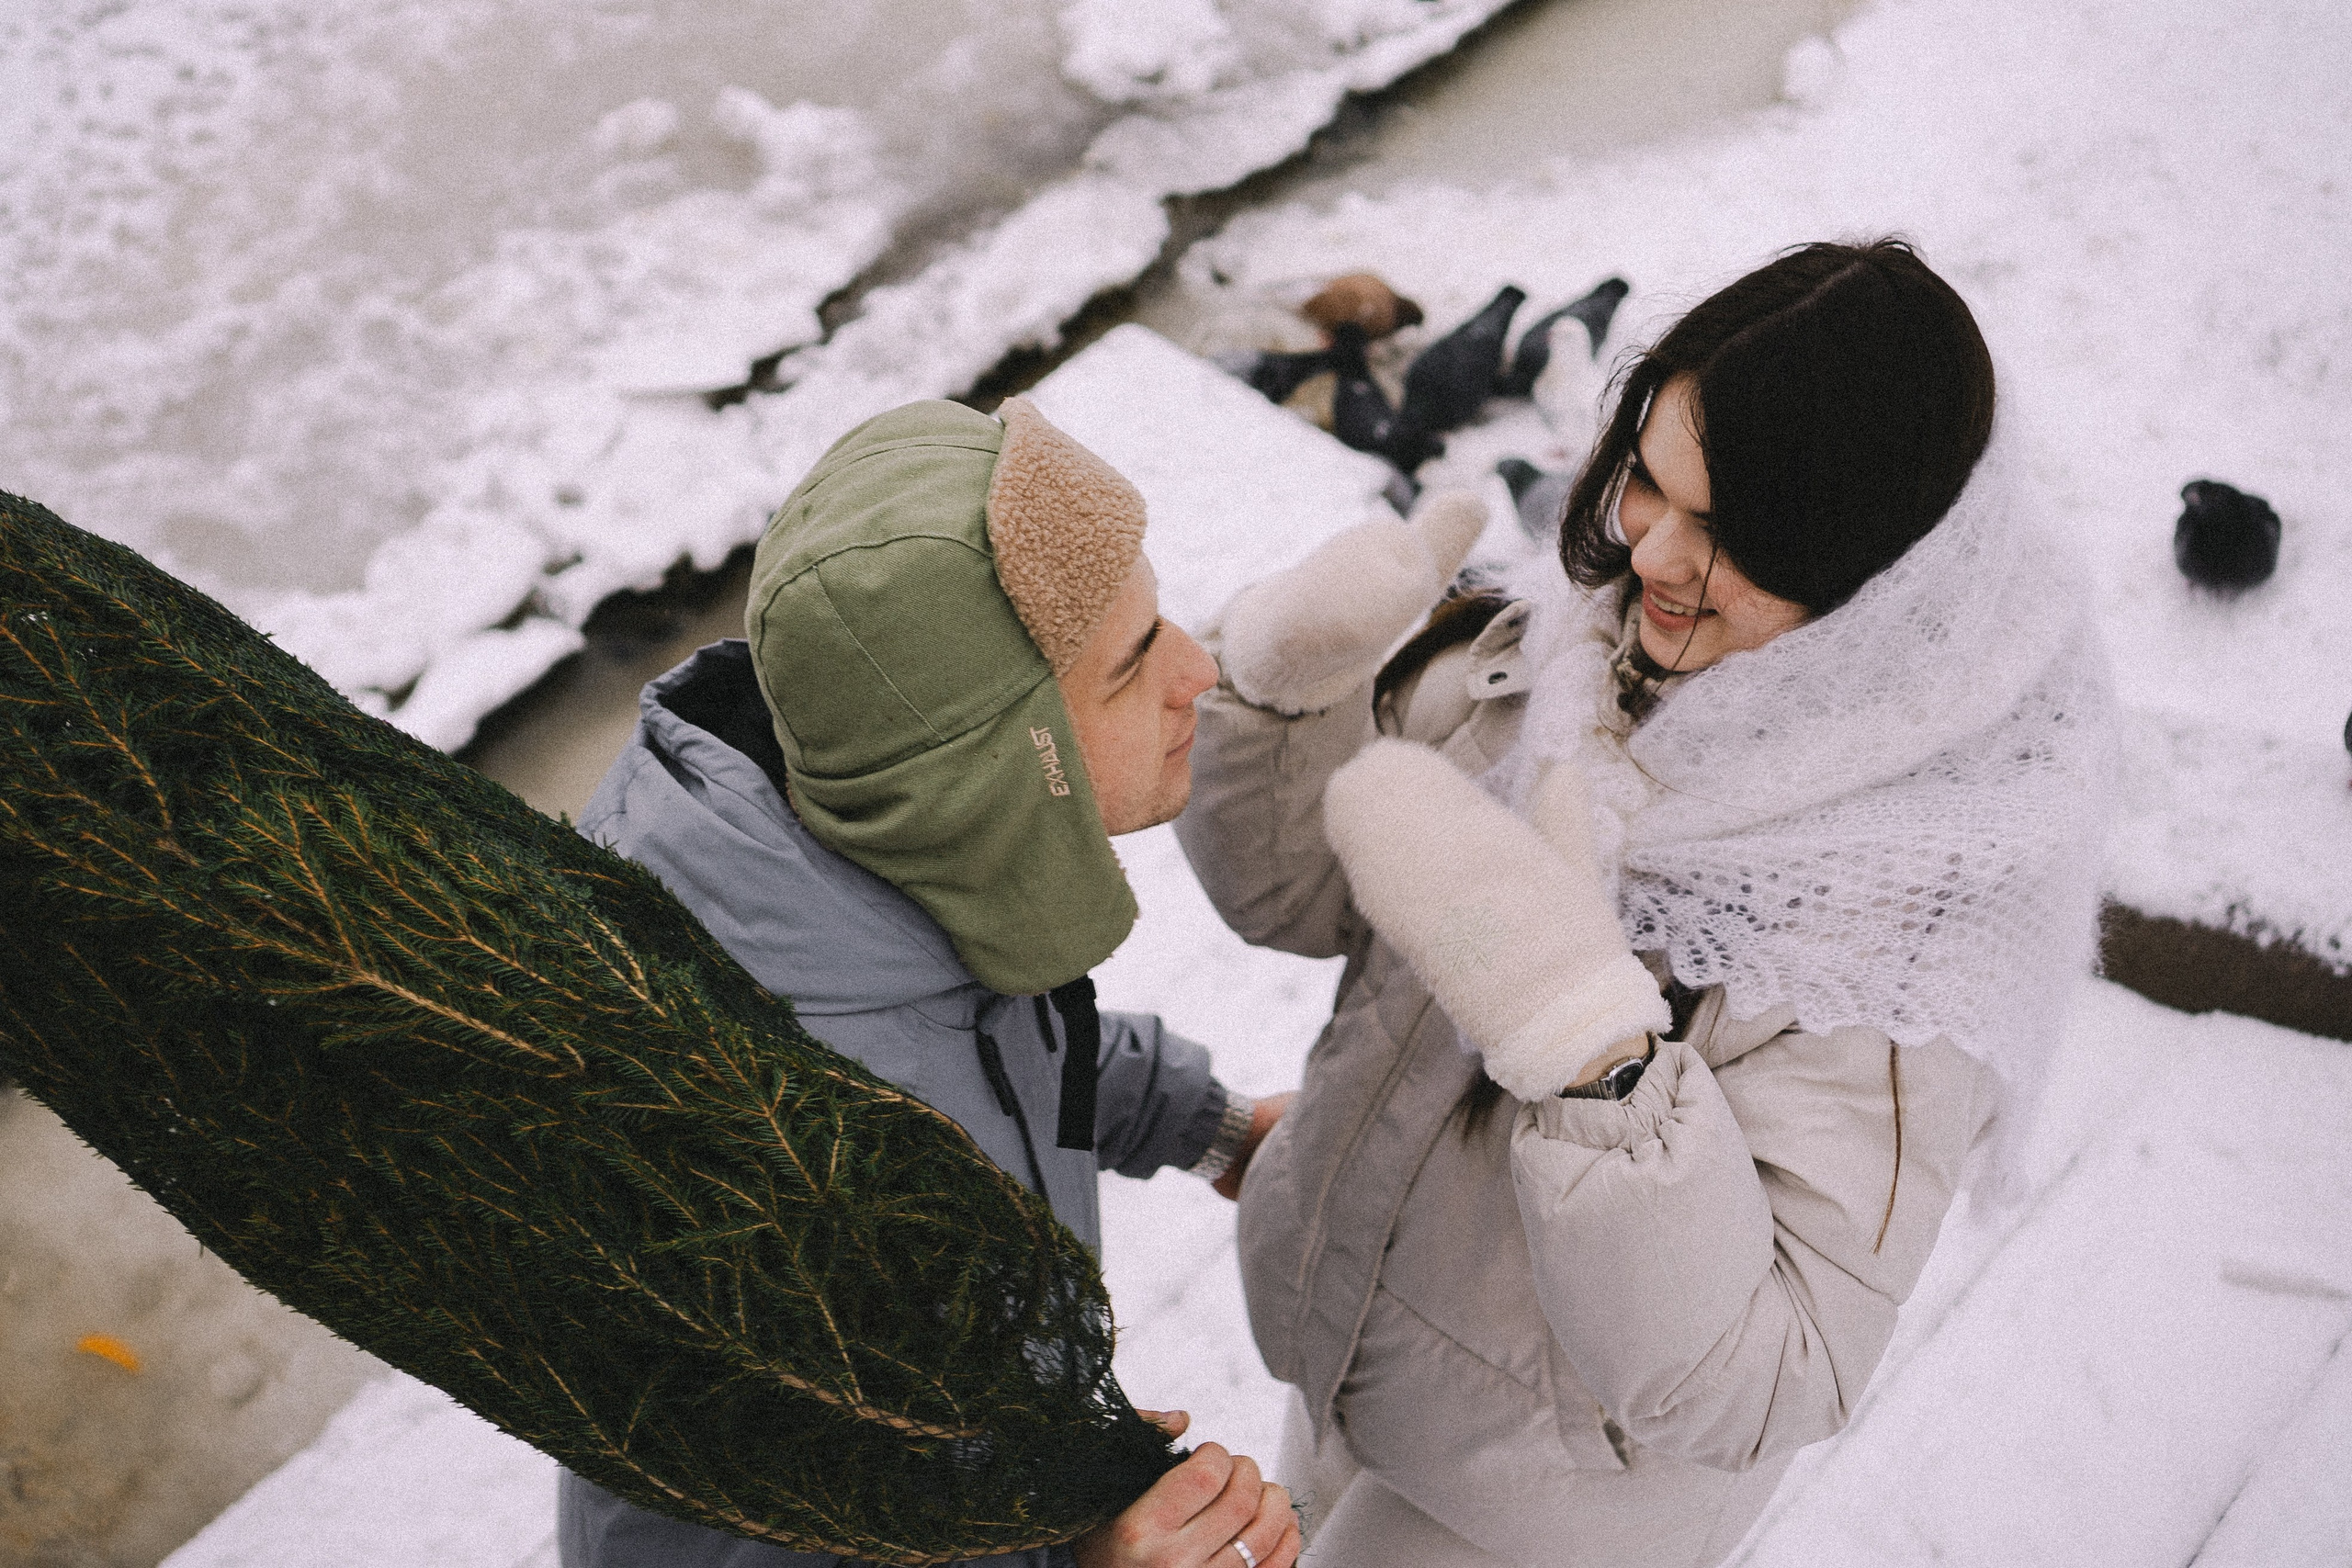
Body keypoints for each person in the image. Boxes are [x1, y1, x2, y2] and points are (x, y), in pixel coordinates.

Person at [1175, 240, 2116, 1567]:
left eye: (1726, 530)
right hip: (1356, 1340)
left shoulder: (1898, 914)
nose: (1649, 552)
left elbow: (1770, 1371)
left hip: (1541, 1507)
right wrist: (1281, 702)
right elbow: (1303, 897)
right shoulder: (1557, 653)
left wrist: (1596, 1058)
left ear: (1866, 568)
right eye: (1649, 483)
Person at [557, 397, 1302, 1568]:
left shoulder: (865, 841)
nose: (1197, 671)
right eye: (1131, 665)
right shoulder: (760, 1153)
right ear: (998, 770)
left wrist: (1211, 1126)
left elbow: (997, 1040)